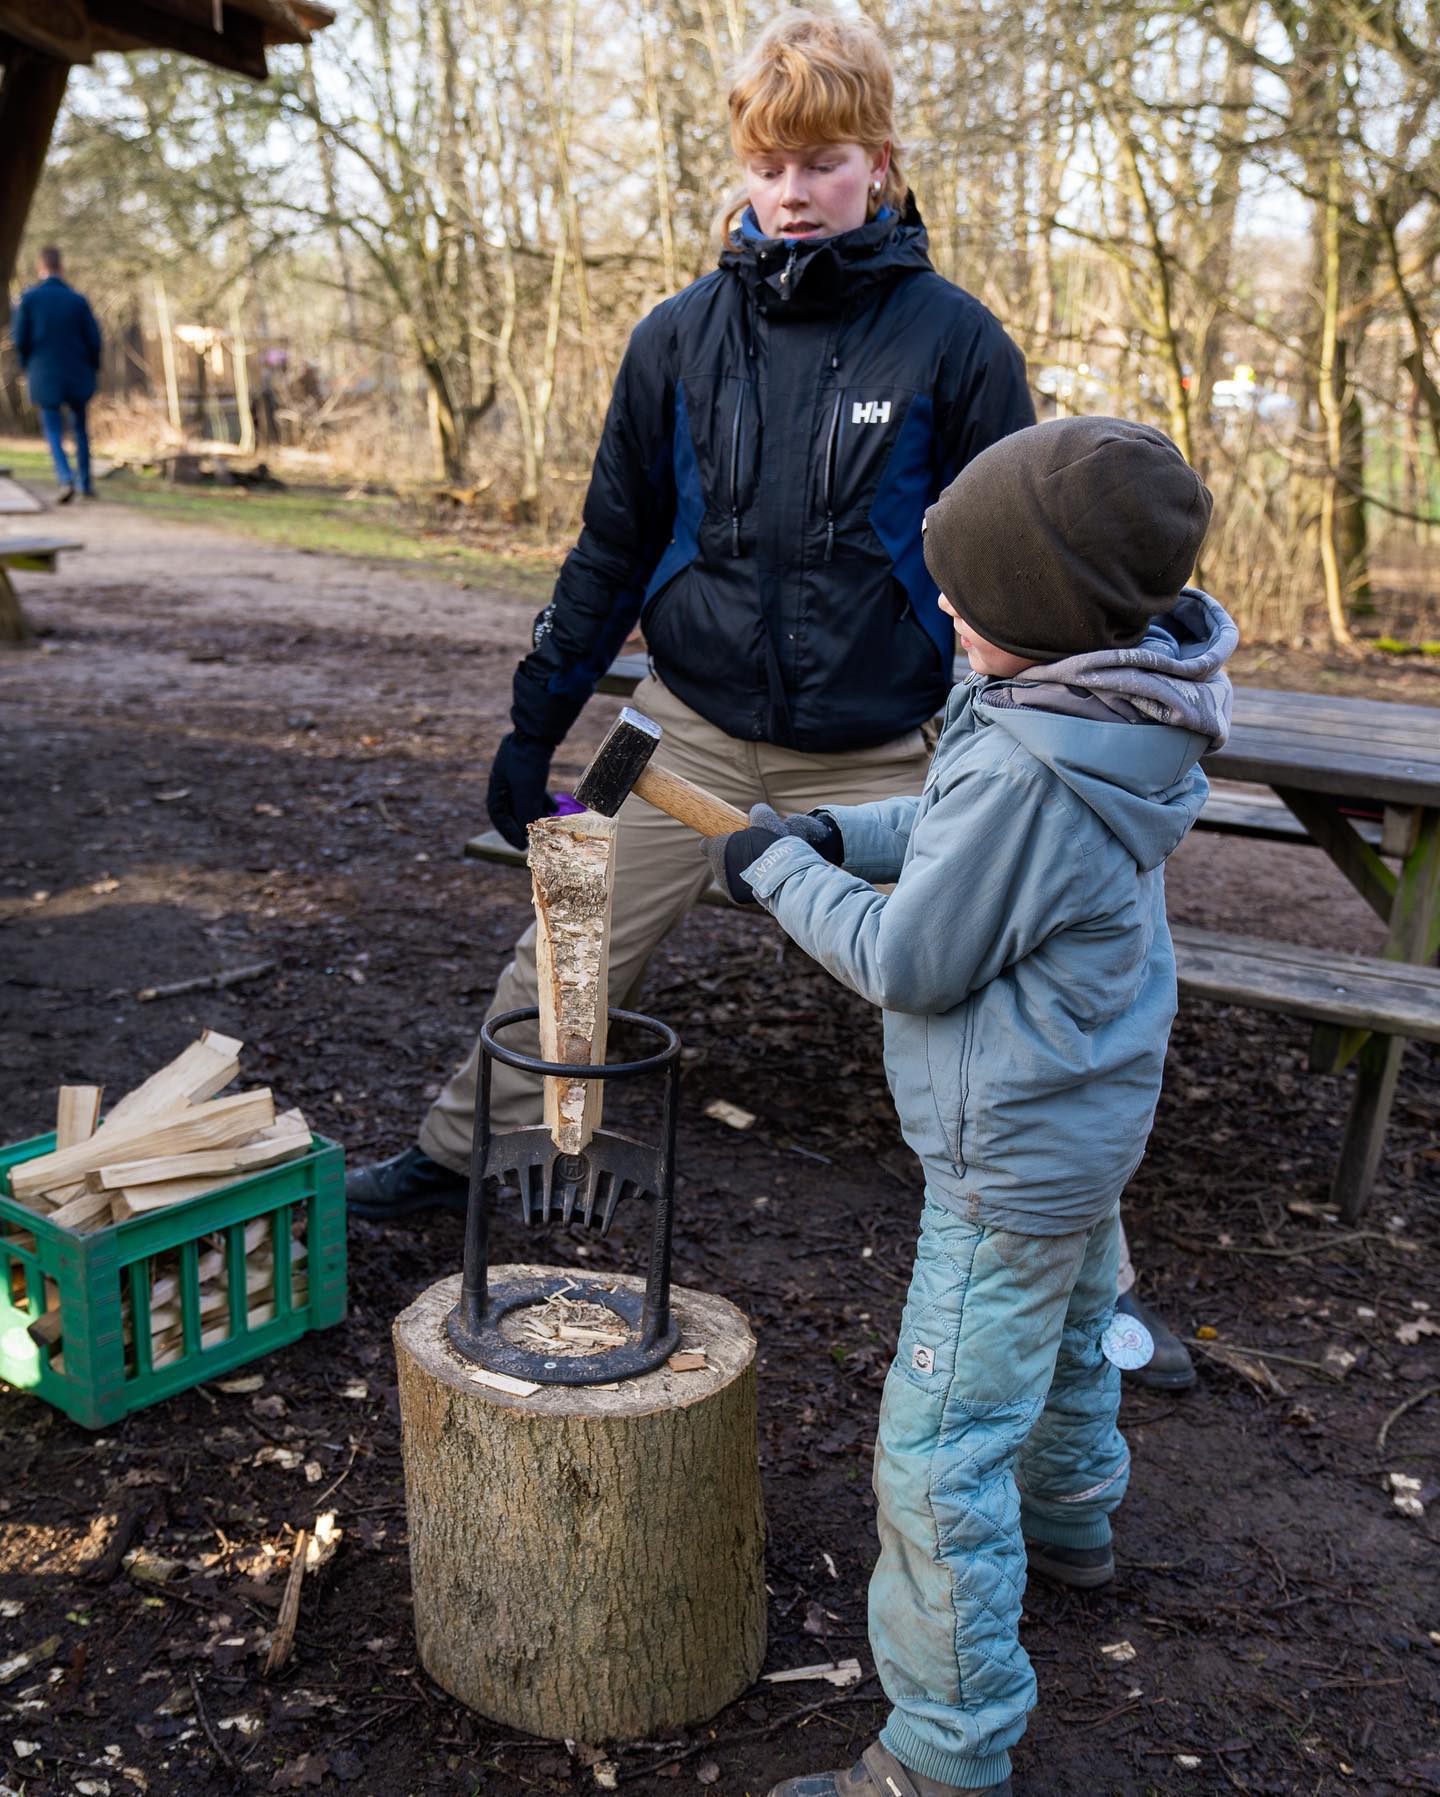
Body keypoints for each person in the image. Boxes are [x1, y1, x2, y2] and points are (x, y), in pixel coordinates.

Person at [346, 7, 1195, 1391]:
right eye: (769, 164)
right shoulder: (677, 340)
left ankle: (1091, 1288)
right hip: (689, 734)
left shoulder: (956, 341)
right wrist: (532, 719)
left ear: (881, 162)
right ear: (741, 168)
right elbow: (610, 544)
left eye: (824, 161)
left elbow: (1022, 575)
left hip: (893, 749)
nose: (793, 194)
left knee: (1009, 1014)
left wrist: (1020, 737)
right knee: (563, 953)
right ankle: (458, 1154)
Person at [697, 416, 1236, 1797]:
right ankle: (1073, 1524)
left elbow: (908, 955)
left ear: (1042, 612)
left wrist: (772, 873)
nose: (943, 601)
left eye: (969, 589)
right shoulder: (1097, 706)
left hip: (1008, 1158)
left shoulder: (1033, 759)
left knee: (935, 1461)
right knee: (1066, 1345)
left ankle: (943, 1752)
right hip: (1086, 1118)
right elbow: (951, 825)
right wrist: (830, 832)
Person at [11, 247, 102, 503]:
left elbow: (20, 340)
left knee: (52, 429)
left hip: (44, 373)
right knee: (80, 429)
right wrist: (93, 367)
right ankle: (85, 483)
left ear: (41, 268)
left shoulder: (29, 300)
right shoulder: (78, 300)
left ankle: (65, 478)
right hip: (78, 374)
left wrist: (27, 365)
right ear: (61, 267)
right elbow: (94, 341)